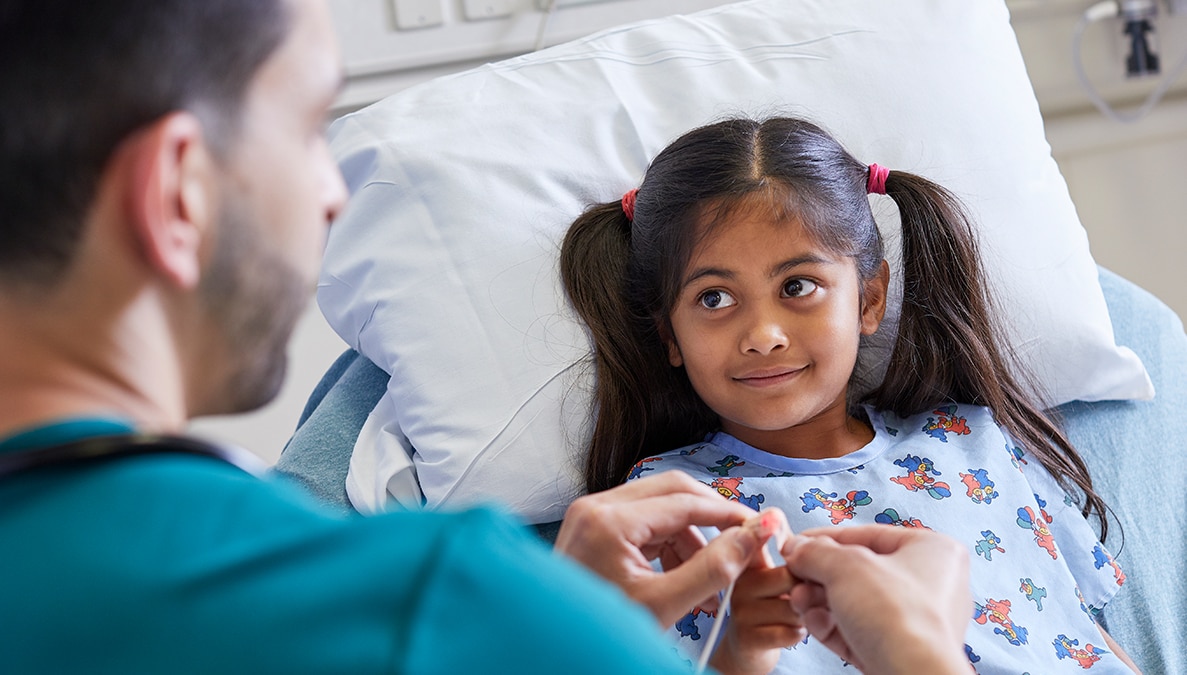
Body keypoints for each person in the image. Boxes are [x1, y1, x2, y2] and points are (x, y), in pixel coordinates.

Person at [0, 1, 975, 672]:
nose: (332, 194)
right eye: (306, 128)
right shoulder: (431, 605)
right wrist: (913, 651)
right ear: (177, 190)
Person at [560, 116, 1141, 673]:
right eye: (714, 298)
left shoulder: (977, 443)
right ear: (669, 334)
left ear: (868, 300)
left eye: (799, 286)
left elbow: (1092, 641)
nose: (763, 336)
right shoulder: (662, 513)